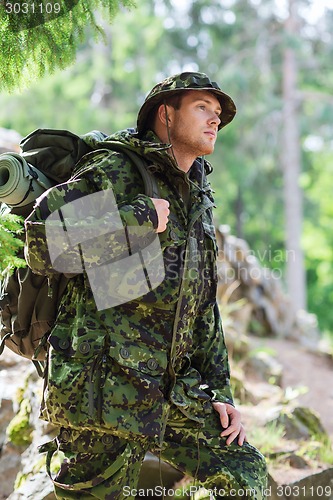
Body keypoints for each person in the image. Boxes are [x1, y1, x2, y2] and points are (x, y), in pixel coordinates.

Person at [25, 71, 268, 499]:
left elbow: (202, 304)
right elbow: (44, 243)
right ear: (166, 115)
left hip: (171, 393)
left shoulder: (197, 194)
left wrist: (221, 391)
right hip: (102, 393)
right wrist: (136, 218)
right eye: (201, 108)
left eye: (217, 114)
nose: (214, 120)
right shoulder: (116, 170)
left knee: (244, 474)